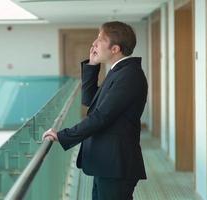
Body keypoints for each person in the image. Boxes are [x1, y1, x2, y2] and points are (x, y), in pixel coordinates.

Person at [43, 21, 148, 200]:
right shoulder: (119, 71)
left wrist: (63, 135)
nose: (94, 43)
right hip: (108, 162)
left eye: (100, 39)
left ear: (115, 49)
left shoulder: (129, 75)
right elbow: (91, 102)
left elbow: (101, 116)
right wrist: (92, 65)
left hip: (117, 163)